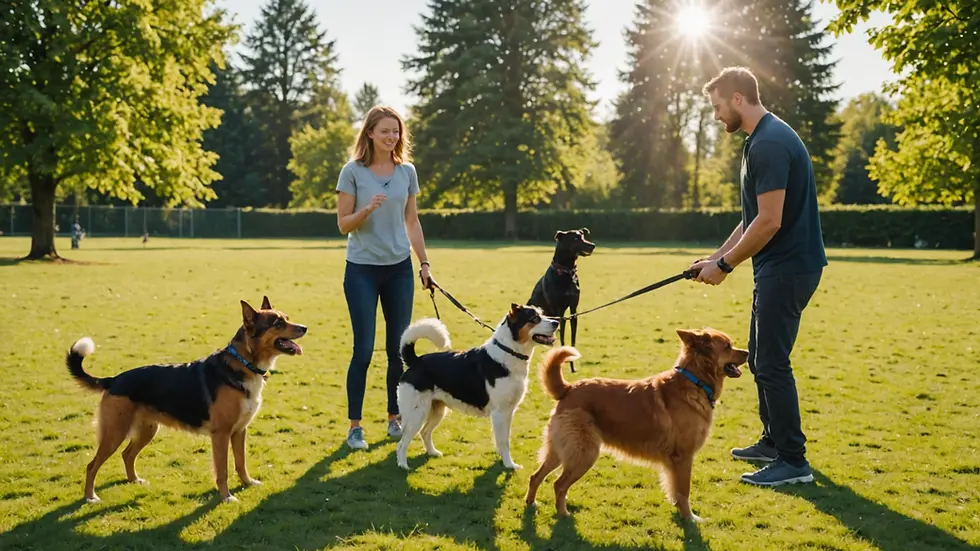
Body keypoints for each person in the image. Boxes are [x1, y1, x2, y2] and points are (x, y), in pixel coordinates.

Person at [689, 66, 827, 487]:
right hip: (777, 269)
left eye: (716, 107)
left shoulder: (769, 143)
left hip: (788, 269)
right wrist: (713, 258)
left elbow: (768, 222)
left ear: (736, 99)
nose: (715, 117)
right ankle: (772, 442)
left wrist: (726, 267)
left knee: (770, 364)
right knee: (764, 361)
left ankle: (792, 460)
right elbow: (751, 218)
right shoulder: (758, 141)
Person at [336, 105, 433, 451]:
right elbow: (343, 224)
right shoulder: (352, 171)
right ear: (371, 134)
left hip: (399, 270)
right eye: (385, 131)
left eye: (396, 131)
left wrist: (424, 263)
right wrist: (367, 209)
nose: (392, 136)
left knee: (397, 350)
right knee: (363, 351)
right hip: (361, 269)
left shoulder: (407, 172)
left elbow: (412, 221)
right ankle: (355, 427)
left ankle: (394, 419)